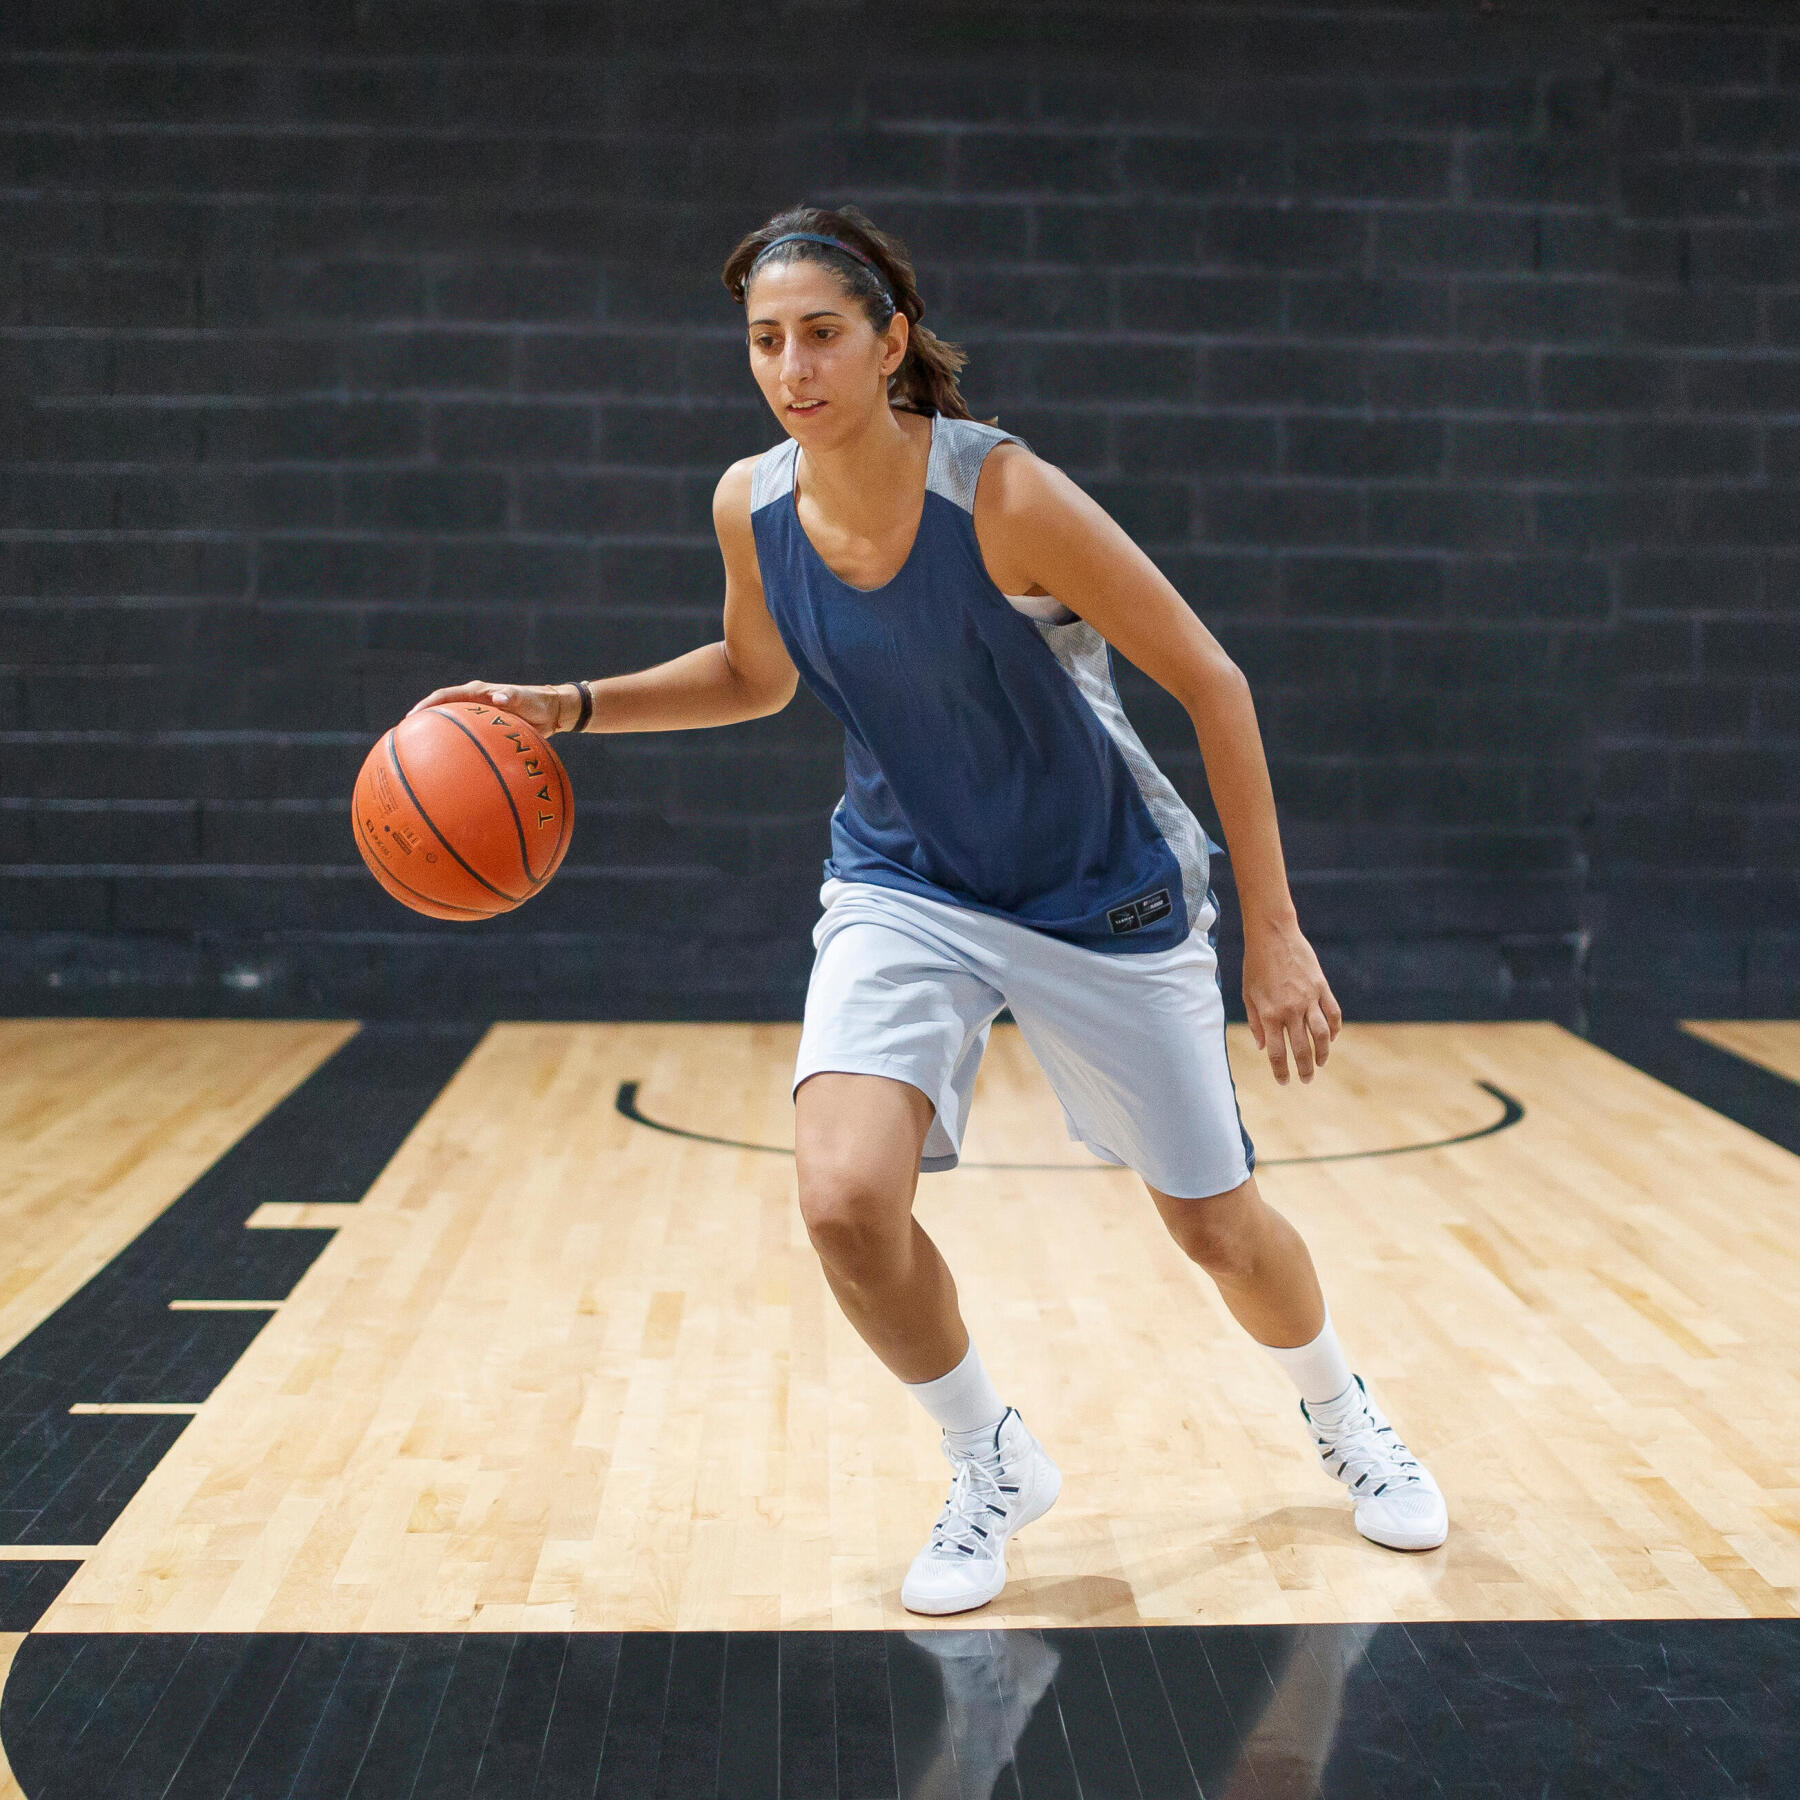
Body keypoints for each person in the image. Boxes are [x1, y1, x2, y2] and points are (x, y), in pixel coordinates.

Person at [410, 202, 1448, 1616]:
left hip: (1103, 890)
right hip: (908, 883)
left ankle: (1340, 1411)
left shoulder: (1004, 496)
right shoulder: (752, 502)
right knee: (842, 1200)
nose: (793, 367)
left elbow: (1214, 681)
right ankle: (989, 1460)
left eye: (822, 333)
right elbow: (751, 673)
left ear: (891, 341)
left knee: (1216, 1228)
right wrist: (571, 706)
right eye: (766, 340)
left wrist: (1274, 932)